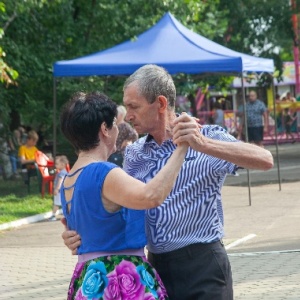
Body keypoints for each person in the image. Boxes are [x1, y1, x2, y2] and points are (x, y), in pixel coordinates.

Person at [62, 65, 274, 300]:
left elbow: (265, 160)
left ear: (161, 104)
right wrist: (79, 233)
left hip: (203, 265)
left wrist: (203, 144)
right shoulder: (134, 154)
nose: (128, 115)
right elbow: (115, 206)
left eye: (134, 106)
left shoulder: (207, 135)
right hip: (155, 269)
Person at [59, 91, 189, 299]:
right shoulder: (103, 172)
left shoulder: (68, 180)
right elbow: (151, 196)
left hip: (89, 278)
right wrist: (181, 149)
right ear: (104, 129)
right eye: (114, 124)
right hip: (118, 276)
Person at [49, 155, 69, 221]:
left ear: (63, 164)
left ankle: (53, 215)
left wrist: (56, 189)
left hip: (59, 192)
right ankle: (66, 215)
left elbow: (60, 182)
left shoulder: (61, 173)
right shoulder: (65, 172)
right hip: (63, 191)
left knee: (56, 204)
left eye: (57, 164)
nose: (55, 165)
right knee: (64, 204)